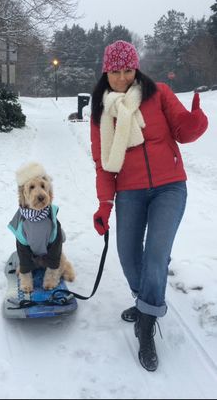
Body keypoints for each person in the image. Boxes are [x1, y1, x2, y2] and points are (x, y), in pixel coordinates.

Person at [90, 40, 208, 372]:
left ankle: (145, 324)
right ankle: (147, 301)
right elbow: (103, 164)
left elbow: (183, 132)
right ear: (106, 72)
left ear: (136, 68)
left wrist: (197, 119)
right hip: (129, 190)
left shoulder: (159, 94)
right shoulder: (102, 111)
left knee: (156, 254)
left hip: (170, 187)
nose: (124, 77)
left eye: (129, 69)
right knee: (129, 255)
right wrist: (104, 205)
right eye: (116, 71)